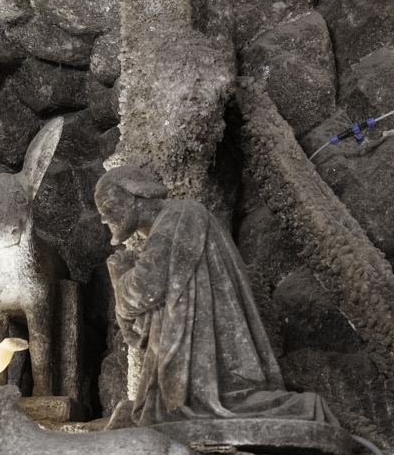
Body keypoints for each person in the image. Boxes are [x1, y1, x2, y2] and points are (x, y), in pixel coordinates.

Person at [95, 163, 332, 426]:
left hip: (208, 368)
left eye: (106, 206)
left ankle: (305, 411)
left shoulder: (180, 216)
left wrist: (121, 276)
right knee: (146, 417)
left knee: (184, 415)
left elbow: (145, 289)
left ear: (132, 195)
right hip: (194, 357)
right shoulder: (172, 224)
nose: (104, 217)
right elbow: (141, 328)